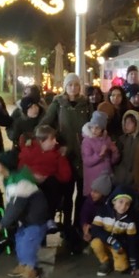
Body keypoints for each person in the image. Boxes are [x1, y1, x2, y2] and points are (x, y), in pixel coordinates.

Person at [41, 73, 94, 223]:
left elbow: (92, 125)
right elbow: (46, 123)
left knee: (83, 193)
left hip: (84, 154)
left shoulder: (86, 104)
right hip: (65, 154)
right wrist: (54, 139)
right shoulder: (58, 103)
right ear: (65, 86)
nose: (73, 88)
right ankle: (66, 226)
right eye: (70, 85)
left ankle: (78, 223)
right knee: (67, 192)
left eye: (76, 85)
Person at [0, 166, 50, 278]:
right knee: (20, 240)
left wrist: (3, 224)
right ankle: (23, 264)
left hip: (36, 221)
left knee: (28, 243)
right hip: (26, 221)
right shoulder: (12, 181)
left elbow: (15, 207)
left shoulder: (21, 185)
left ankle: (32, 269)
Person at [90, 187, 139, 276]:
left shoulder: (130, 220)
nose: (123, 206)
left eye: (127, 204)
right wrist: (111, 240)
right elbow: (95, 230)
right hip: (104, 241)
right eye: (120, 202)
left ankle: (115, 259)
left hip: (119, 246)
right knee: (95, 243)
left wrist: (134, 265)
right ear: (113, 202)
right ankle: (105, 262)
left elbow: (132, 241)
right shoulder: (103, 211)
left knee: (122, 267)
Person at [81, 111, 119, 198]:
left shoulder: (107, 139)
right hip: (93, 179)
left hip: (105, 178)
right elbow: (87, 161)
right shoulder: (87, 141)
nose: (94, 130)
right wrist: (100, 155)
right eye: (92, 127)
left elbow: (112, 161)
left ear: (102, 129)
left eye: (97, 128)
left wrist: (115, 152)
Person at [112, 110, 139, 189]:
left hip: (134, 179)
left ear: (137, 124)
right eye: (125, 122)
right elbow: (116, 159)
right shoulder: (121, 139)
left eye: (130, 123)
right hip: (120, 177)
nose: (126, 125)